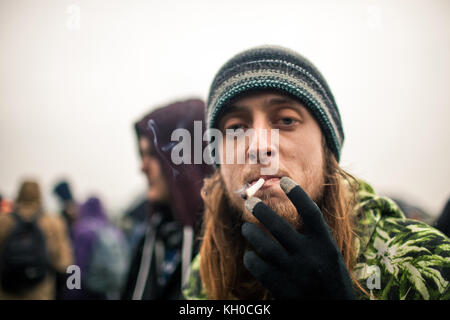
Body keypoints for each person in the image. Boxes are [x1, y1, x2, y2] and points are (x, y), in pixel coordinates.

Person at [183, 45, 450, 300]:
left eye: (286, 120)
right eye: (236, 128)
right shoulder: (204, 277)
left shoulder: (421, 264)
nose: (258, 147)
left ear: (327, 150)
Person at [121, 99, 213, 300]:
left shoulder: (226, 246)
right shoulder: (153, 235)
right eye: (141, 155)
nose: (142, 167)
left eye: (152, 155)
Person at [0, 180, 73, 299]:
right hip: (40, 291)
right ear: (40, 195)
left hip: (7, 291)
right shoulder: (53, 222)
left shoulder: (3, 221)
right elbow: (64, 263)